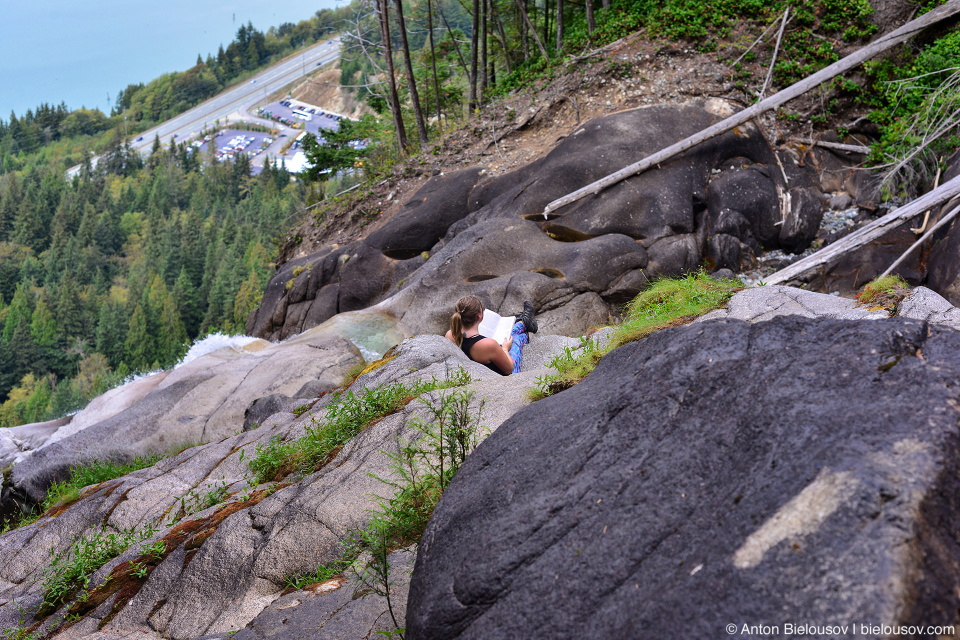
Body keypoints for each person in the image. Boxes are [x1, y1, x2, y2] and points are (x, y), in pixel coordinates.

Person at [445, 296, 538, 375]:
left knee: (510, 334)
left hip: (473, 368)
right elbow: (509, 369)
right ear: (479, 316)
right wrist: (505, 348)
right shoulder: (488, 344)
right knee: (517, 337)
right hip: (500, 378)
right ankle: (524, 324)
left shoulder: (450, 335)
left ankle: (523, 322)